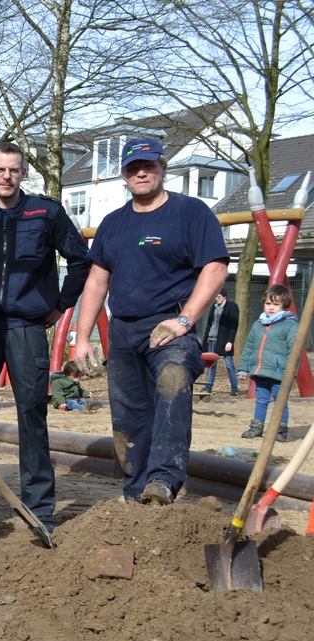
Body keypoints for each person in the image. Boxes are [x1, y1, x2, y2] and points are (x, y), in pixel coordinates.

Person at [73, 137, 229, 505]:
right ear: (124, 176)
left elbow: (216, 267)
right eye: (132, 168)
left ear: (162, 167)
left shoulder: (192, 213)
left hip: (170, 325)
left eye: (148, 165)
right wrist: (81, 338)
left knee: (173, 379)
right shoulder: (113, 224)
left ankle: (163, 480)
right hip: (124, 330)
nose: (141, 173)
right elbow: (97, 280)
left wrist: (184, 320)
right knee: (129, 415)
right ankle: (136, 492)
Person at [0, 141, 91, 535]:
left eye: (13, 170)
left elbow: (81, 258)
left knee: (32, 414)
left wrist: (61, 305)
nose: (6, 176)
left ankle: (38, 508)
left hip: (28, 327)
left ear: (24, 172)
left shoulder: (46, 213)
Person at [237, 284, 298, 441]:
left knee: (280, 401)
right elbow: (249, 347)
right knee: (261, 400)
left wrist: (292, 373)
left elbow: (295, 351)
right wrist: (243, 369)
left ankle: (280, 430)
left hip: (280, 373)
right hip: (261, 370)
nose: (271, 307)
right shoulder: (258, 324)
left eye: (276, 304)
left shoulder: (289, 325)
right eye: (268, 303)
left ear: (284, 305)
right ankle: (256, 427)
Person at [202, 286, 240, 396]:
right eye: (215, 297)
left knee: (229, 365)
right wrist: (206, 339)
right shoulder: (214, 307)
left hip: (224, 340)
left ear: (224, 297)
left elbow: (234, 326)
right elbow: (210, 324)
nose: (216, 299)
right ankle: (208, 387)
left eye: (218, 296)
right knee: (211, 365)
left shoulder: (232, 307)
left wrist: (230, 341)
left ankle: (234, 389)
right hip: (212, 339)